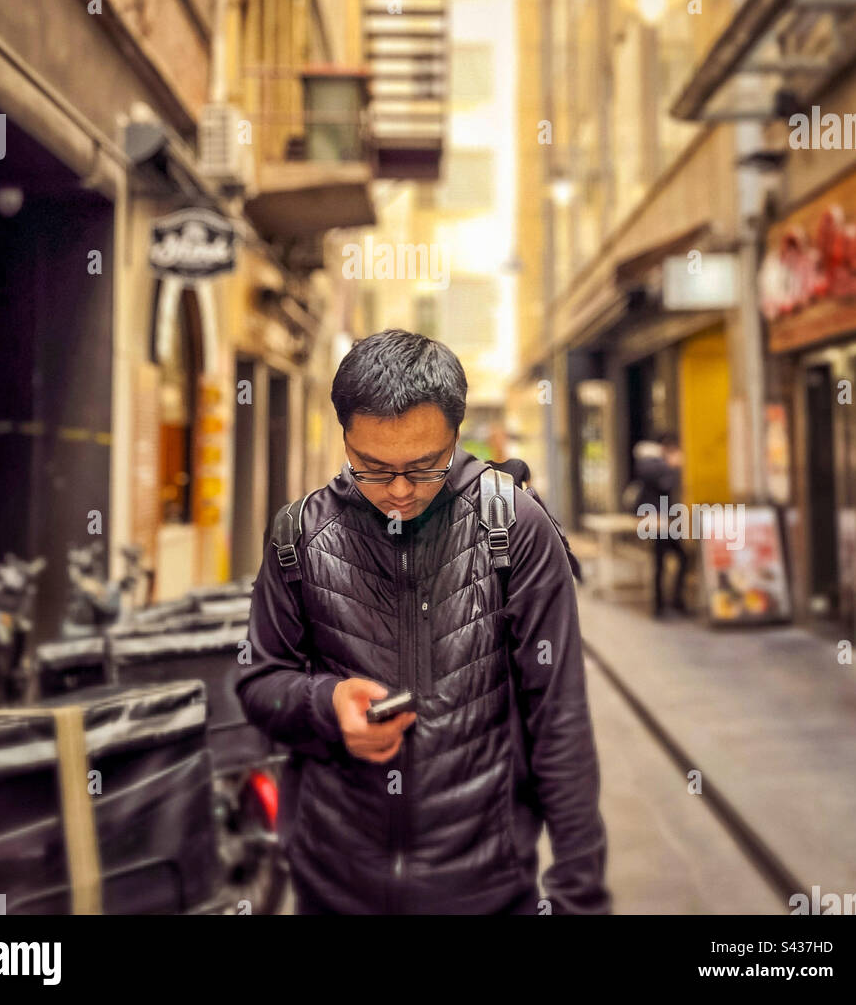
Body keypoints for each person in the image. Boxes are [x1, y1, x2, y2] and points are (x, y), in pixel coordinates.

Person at [235, 329, 611, 916]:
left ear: (456, 435)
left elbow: (559, 720)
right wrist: (327, 704)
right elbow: (259, 682)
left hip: (485, 889)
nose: (401, 493)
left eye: (425, 466)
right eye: (373, 468)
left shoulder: (512, 528)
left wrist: (579, 898)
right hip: (332, 885)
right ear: (345, 437)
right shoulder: (298, 536)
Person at [629, 431, 688, 618]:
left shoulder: (653, 462)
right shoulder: (652, 462)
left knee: (672, 559)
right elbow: (664, 484)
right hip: (656, 521)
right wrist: (670, 466)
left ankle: (668, 602)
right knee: (664, 561)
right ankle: (663, 605)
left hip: (661, 521)